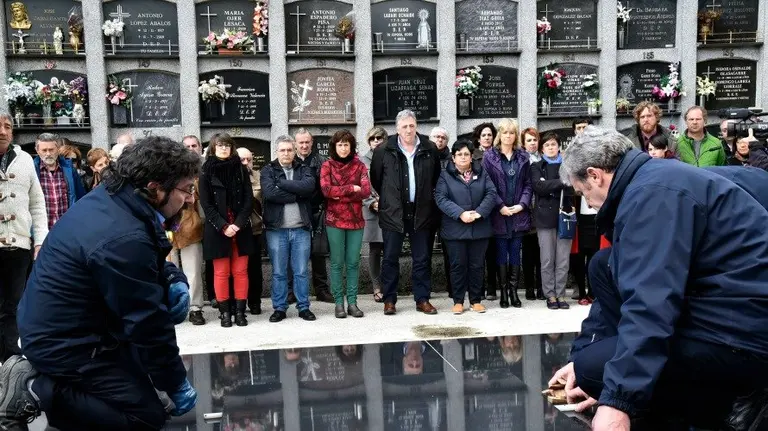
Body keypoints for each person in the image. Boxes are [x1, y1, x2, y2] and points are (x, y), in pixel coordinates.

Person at [551, 126, 768, 430]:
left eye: (584, 192)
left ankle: (736, 397)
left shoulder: (652, 199)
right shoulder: (656, 177)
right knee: (604, 264)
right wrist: (580, 352)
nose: (589, 202)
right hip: (727, 302)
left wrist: (617, 401)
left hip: (743, 333)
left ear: (595, 175)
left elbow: (650, 303)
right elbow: (618, 281)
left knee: (593, 370)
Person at [6, 137, 199, 430]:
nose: (190, 198)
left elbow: (148, 257)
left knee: (145, 394)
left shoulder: (116, 199)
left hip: (77, 328)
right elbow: (146, 322)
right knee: (145, 418)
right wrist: (175, 381)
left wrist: (173, 278)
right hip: (66, 344)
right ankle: (38, 387)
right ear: (154, 188)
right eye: (186, 189)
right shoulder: (123, 235)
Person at [370, 109, 441, 315]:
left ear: (416, 125)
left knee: (422, 258)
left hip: (422, 210)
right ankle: (389, 300)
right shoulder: (384, 150)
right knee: (391, 258)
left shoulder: (429, 148)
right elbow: (377, 179)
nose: (408, 130)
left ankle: (422, 299)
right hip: (394, 212)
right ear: (397, 128)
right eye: (404, 126)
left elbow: (435, 177)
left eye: (411, 125)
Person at [0, 112, 47, 363]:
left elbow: (37, 204)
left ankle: (10, 360)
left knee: (13, 305)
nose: (3, 131)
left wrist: (40, 240)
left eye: (8, 126)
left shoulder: (25, 159)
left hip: (17, 245)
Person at [435, 139, 497, 314]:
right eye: (459, 154)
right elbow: (441, 198)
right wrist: (461, 213)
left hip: (479, 227)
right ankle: (458, 301)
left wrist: (478, 212)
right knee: (457, 265)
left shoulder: (482, 172)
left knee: (477, 265)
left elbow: (491, 193)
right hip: (455, 229)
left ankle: (476, 300)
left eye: (466, 154)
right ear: (453, 158)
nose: (463, 157)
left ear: (471, 157)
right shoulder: (444, 175)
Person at [199, 133, 253, 328]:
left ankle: (239, 313)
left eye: (227, 145)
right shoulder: (205, 172)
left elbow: (248, 199)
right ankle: (224, 314)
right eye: (220, 145)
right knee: (221, 273)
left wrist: (237, 224)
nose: (223, 149)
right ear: (213, 148)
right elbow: (207, 204)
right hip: (218, 228)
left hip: (240, 227)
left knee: (240, 271)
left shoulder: (241, 169)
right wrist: (223, 226)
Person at [261, 136, 317, 323]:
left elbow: (309, 187)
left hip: (301, 229)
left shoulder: (304, 168)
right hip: (277, 230)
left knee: (301, 270)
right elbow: (269, 193)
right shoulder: (268, 170)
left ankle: (303, 307)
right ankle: (279, 307)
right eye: (282, 150)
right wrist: (296, 195)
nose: (286, 153)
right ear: (276, 152)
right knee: (278, 271)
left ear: (294, 151)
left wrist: (283, 184)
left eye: (289, 150)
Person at [320, 130, 371, 318]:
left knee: (353, 262)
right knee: (336, 263)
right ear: (334, 146)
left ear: (351, 147)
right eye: (340, 144)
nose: (343, 148)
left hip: (356, 220)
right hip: (334, 220)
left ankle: (353, 302)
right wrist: (350, 188)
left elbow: (365, 191)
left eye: (346, 144)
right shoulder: (327, 166)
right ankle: (338, 304)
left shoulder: (360, 166)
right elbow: (326, 190)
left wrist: (339, 194)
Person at [482, 118, 531, 308]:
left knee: (515, 252)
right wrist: (500, 205)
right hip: (499, 214)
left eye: (512, 132)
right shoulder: (489, 157)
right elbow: (488, 185)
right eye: (505, 132)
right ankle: (503, 291)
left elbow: (528, 184)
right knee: (501, 253)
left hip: (518, 213)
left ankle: (513, 291)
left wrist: (522, 205)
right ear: (499, 135)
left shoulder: (523, 157)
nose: (508, 136)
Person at [530, 132, 572, 310]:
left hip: (565, 215)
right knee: (547, 259)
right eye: (547, 145)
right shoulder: (537, 166)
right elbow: (538, 187)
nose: (551, 147)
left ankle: (561, 293)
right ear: (542, 149)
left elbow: (573, 186)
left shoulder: (568, 166)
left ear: (559, 147)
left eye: (554, 144)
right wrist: (561, 183)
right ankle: (550, 294)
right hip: (544, 218)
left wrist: (552, 184)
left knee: (563, 259)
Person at [170, 136, 206, 325]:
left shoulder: (201, 172)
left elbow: (202, 198)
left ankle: (195, 308)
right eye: (187, 146)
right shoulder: (170, 169)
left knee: (192, 271)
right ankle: (173, 307)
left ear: (200, 148)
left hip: (190, 224)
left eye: (194, 146)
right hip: (168, 225)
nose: (191, 149)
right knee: (169, 270)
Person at [33, 133, 87, 229]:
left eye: (51, 150)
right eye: (44, 150)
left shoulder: (69, 170)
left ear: (57, 149)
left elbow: (80, 199)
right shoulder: (31, 170)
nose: (48, 153)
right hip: (40, 231)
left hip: (67, 229)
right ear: (37, 150)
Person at [237, 147, 265, 316]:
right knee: (238, 269)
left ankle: (255, 302)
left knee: (254, 269)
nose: (246, 163)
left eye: (249, 159)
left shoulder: (259, 176)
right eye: (242, 160)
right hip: (236, 231)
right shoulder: (230, 178)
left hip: (255, 229)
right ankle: (238, 302)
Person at [362, 127, 386, 303]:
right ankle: (376, 286)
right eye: (373, 138)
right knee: (375, 249)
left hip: (391, 209)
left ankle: (389, 284)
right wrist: (372, 202)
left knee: (391, 249)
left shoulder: (391, 157)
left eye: (380, 138)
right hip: (373, 209)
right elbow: (362, 185)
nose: (376, 141)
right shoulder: (362, 162)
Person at [520, 127, 544, 300]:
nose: (532, 143)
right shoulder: (520, 160)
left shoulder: (545, 160)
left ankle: (541, 286)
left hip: (543, 212)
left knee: (543, 252)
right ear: (523, 143)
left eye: (535, 140)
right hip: (527, 210)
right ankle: (529, 287)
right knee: (528, 252)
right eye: (529, 140)